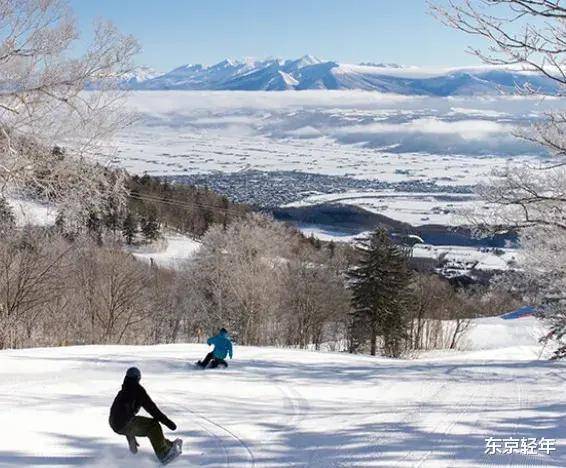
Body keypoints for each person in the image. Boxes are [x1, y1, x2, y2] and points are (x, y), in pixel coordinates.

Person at [109, 367, 181, 463]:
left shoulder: (123, 390)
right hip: (124, 423)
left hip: (115, 424)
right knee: (153, 426)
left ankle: (167, 445)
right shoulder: (138, 390)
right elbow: (152, 409)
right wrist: (168, 423)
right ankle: (163, 454)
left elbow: (120, 415)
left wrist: (131, 439)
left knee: (147, 427)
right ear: (138, 378)